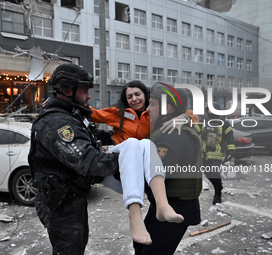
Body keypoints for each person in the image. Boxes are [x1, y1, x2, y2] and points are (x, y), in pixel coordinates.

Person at [28, 63, 120, 255]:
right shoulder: (56, 122)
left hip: (70, 198)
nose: (88, 96)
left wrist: (119, 138)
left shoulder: (70, 115)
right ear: (67, 90)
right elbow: (91, 162)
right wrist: (127, 157)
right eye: (85, 91)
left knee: (76, 247)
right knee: (69, 250)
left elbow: (91, 135)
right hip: (60, 203)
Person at [90, 81, 186, 245]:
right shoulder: (119, 113)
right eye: (129, 96)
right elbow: (93, 114)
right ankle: (134, 216)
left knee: (148, 144)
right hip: (118, 161)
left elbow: (189, 112)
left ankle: (162, 205)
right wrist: (64, 101)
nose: (134, 98)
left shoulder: (154, 113)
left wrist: (184, 117)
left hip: (136, 173)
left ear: (145, 95)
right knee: (133, 142)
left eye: (137, 94)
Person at [134, 83, 203, 255]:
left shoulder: (172, 136)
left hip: (175, 206)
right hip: (166, 202)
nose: (147, 109)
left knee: (153, 252)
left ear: (167, 107)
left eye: (153, 104)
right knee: (140, 246)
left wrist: (120, 170)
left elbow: (158, 173)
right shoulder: (167, 129)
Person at [195, 102, 236, 204]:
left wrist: (232, 152)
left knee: (214, 173)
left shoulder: (225, 124)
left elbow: (230, 140)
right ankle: (218, 185)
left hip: (217, 155)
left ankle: (218, 194)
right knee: (207, 173)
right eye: (210, 110)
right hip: (204, 155)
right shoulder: (202, 122)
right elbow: (194, 133)